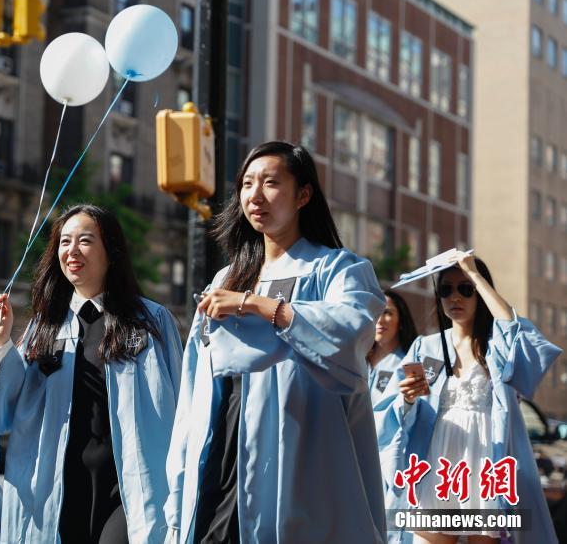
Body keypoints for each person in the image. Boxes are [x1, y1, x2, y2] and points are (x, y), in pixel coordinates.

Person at [165, 141, 387, 543]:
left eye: (270, 183)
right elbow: (194, 387)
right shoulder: (226, 280)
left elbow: (352, 330)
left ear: (304, 194)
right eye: (247, 183)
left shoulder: (337, 269)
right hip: (225, 443)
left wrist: (261, 306)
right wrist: (180, 478)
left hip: (303, 453)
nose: (255, 195)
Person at [0, 204, 184, 544]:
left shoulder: (149, 322)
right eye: (64, 242)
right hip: (53, 488)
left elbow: (179, 404)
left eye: (85, 241)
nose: (72, 251)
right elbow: (5, 408)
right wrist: (0, 345)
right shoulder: (45, 327)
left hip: (129, 485)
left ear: (111, 251)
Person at [379, 250, 561, 544]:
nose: (455, 297)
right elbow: (391, 412)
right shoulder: (425, 347)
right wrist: (407, 399)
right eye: (446, 290)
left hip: (484, 463)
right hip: (435, 463)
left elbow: (522, 336)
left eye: (466, 289)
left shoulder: (497, 347)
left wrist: (474, 272)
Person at [368, 289, 419, 403]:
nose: (379, 320)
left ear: (401, 320)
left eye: (388, 313)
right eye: (375, 312)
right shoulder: (358, 359)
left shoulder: (411, 363)